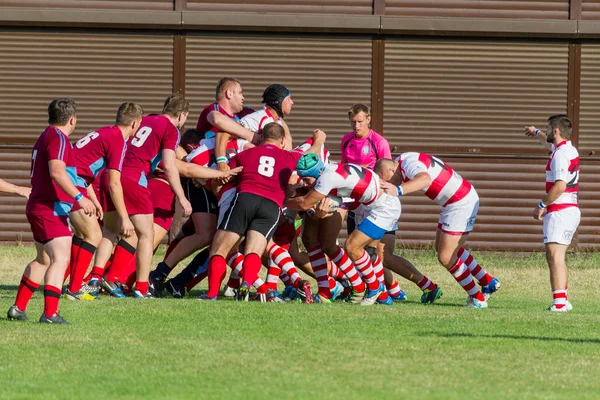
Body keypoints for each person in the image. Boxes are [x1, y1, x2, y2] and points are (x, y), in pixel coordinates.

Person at [201, 123, 325, 301]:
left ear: (261, 137)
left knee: (219, 250)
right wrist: (318, 140)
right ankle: (246, 284)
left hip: (245, 198)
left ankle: (212, 294)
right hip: (271, 205)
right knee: (254, 251)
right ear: (282, 140)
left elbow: (225, 176)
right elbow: (310, 156)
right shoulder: (289, 156)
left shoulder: (244, 154)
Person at [7, 98, 95, 324]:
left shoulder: (45, 136)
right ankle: (50, 313)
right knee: (61, 258)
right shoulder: (59, 138)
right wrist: (79, 197)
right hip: (50, 208)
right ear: (72, 120)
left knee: (43, 259)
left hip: (38, 206)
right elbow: (57, 172)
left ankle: (18, 308)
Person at [95, 94, 192, 299]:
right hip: (134, 177)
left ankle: (96, 279)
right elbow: (169, 165)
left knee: (110, 232)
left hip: (112, 173)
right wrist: (181, 197)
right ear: (182, 115)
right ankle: (141, 287)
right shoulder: (171, 130)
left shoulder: (143, 119)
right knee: (146, 235)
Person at [378, 155, 500, 308]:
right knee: (444, 248)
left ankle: (477, 298)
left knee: (446, 256)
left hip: (460, 201)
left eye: (385, 181)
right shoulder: (403, 159)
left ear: (391, 169)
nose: (386, 185)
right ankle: (487, 281)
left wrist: (398, 189)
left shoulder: (408, 164)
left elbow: (425, 179)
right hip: (453, 201)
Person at [287, 154, 401, 306]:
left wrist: (282, 200)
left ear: (318, 173)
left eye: (307, 179)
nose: (305, 184)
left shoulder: (326, 178)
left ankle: (373, 287)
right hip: (364, 205)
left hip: (383, 207)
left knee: (352, 246)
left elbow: (304, 204)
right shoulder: (327, 171)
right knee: (310, 238)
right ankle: (332, 290)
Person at [63, 102, 143, 300]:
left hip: (71, 179)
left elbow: (84, 167)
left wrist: (95, 202)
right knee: (94, 235)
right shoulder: (118, 140)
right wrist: (125, 218)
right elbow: (114, 184)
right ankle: (74, 289)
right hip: (72, 182)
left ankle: (74, 285)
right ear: (135, 124)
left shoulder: (105, 132)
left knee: (83, 233)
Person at [525, 116, 580, 312]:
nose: (546, 132)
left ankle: (559, 304)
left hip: (560, 211)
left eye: (548, 129)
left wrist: (541, 204)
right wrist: (536, 132)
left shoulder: (560, 155)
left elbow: (560, 185)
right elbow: (549, 144)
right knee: (556, 256)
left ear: (556, 131)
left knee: (555, 256)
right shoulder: (566, 148)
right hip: (569, 210)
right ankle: (563, 300)